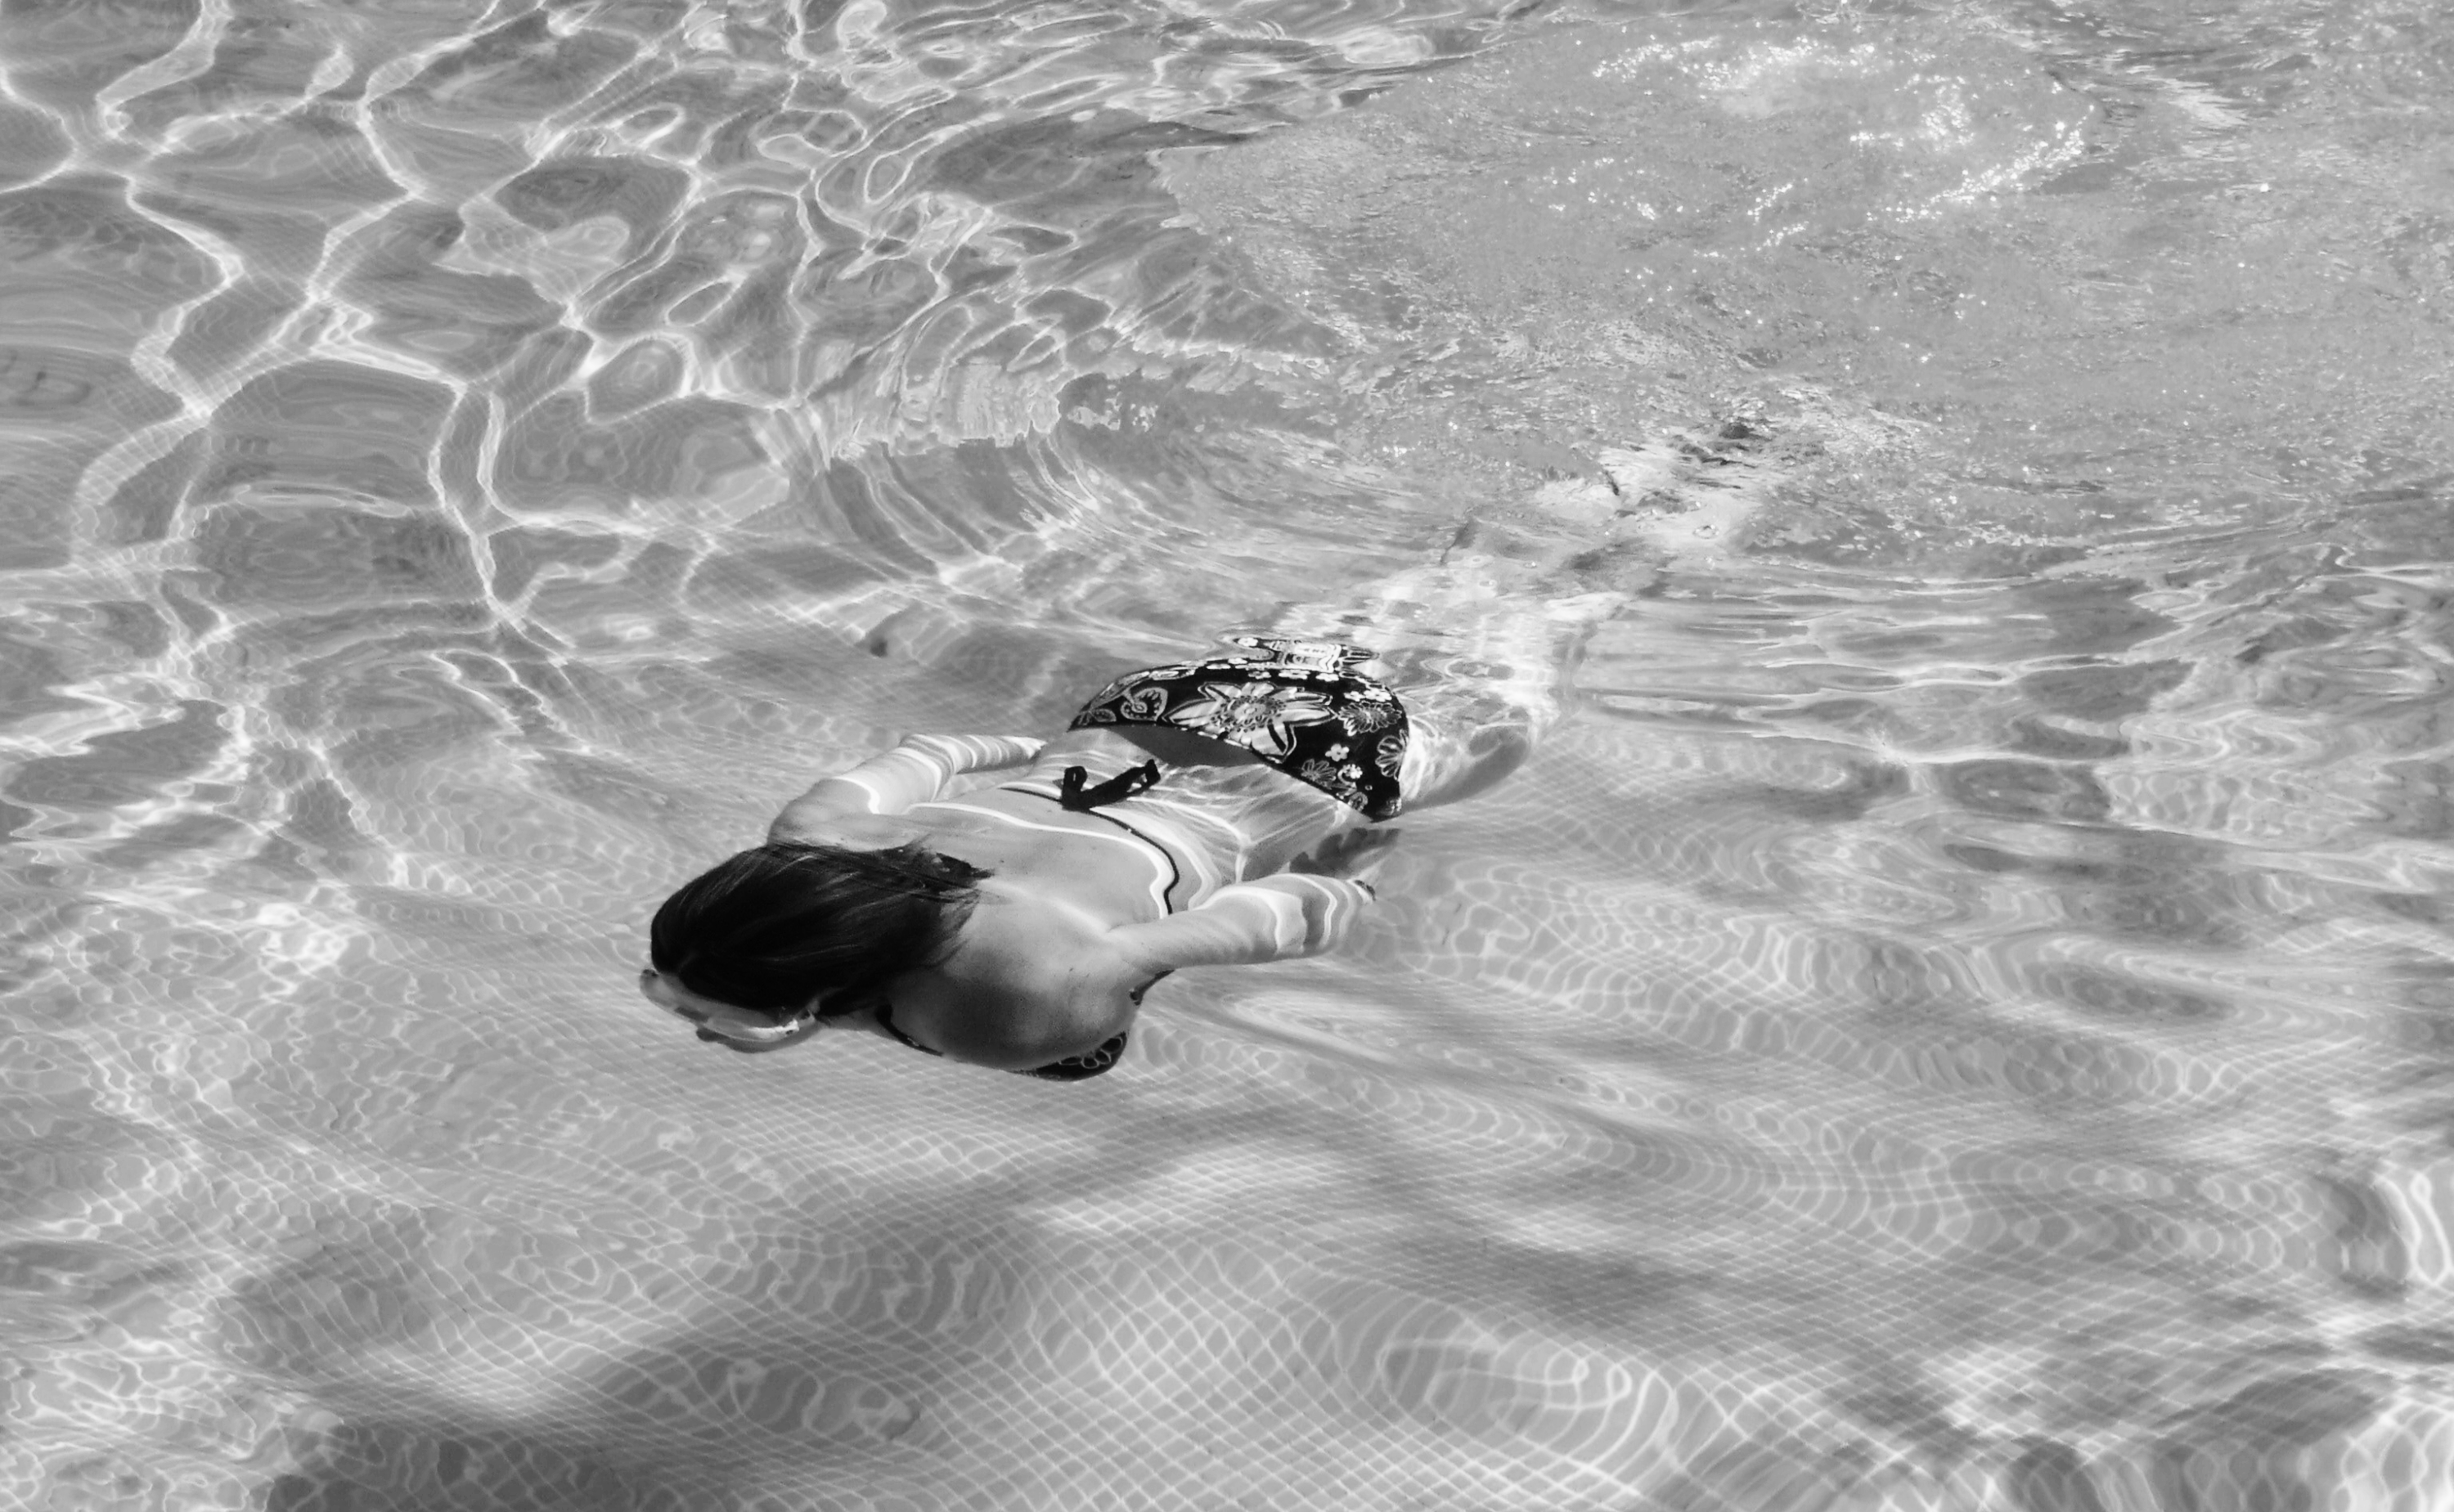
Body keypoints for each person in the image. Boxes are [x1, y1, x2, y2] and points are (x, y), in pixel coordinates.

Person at [638, 556, 1621, 1079]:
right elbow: (932, 751)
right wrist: (1034, 752)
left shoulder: (1026, 1006)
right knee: (1461, 568)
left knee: (1577, 609)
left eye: (696, 1010)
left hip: (1322, 765)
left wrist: (1341, 885)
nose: (699, 1032)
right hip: (1155, 707)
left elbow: (1253, 927)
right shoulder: (808, 835)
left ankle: (1675, 511)